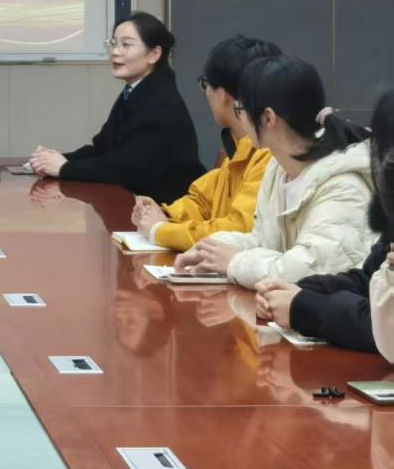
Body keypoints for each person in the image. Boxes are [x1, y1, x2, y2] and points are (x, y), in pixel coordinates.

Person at [174, 56, 374, 290]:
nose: (238, 119)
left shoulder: (343, 185)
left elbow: (311, 270)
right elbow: (263, 241)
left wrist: (235, 262)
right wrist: (211, 249)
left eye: (240, 109)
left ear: (268, 118)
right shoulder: (279, 168)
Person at [258, 91, 393, 353]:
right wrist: (299, 291)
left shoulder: (342, 184)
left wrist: (302, 307)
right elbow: (366, 278)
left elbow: (377, 325)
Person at [29, 11, 205, 203]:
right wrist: (56, 160)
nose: (115, 52)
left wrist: (64, 168)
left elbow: (128, 168)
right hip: (140, 203)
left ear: (154, 54)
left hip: (169, 210)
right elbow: (103, 148)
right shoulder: (138, 90)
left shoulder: (161, 101)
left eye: (126, 45)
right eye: (113, 43)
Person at [132, 35, 281, 250]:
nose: (206, 93)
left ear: (224, 94)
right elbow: (202, 203)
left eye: (206, 84)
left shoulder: (269, 155)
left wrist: (160, 230)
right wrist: (161, 213)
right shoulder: (237, 149)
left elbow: (240, 229)